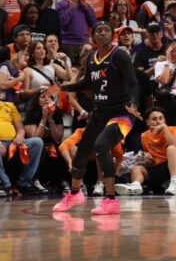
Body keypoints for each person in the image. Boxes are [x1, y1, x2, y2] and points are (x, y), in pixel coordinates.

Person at [49, 21, 141, 215]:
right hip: (100, 112)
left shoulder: (119, 55)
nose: (103, 33)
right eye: (99, 31)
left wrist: (133, 105)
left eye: (107, 30)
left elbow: (133, 83)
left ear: (112, 35)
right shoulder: (92, 57)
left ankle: (110, 200)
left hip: (121, 113)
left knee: (101, 145)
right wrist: (62, 88)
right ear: (93, 36)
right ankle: (75, 194)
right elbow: (86, 85)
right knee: (81, 154)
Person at [116, 108, 176, 196]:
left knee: (171, 148)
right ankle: (136, 186)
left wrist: (165, 128)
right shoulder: (144, 136)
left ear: (165, 120)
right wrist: (147, 157)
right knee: (136, 168)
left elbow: (174, 144)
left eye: (161, 118)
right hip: (158, 168)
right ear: (147, 122)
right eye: (154, 119)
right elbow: (150, 157)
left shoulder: (174, 129)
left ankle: (174, 184)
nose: (158, 121)